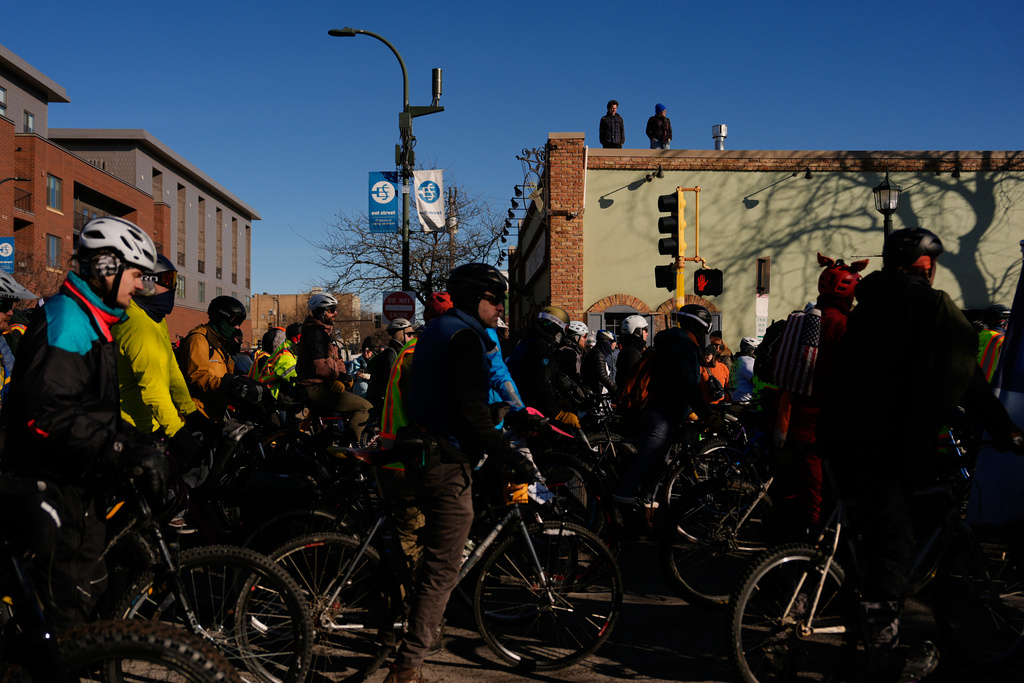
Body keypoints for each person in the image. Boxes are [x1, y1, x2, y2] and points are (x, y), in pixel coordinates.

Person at [817, 228, 1024, 680]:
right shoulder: (931, 306)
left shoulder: (867, 305)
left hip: (837, 436)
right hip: (885, 443)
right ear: (927, 266)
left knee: (860, 538)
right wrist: (1004, 429)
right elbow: (964, 373)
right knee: (896, 545)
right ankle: (885, 657)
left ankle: (843, 613)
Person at [0, 216, 168, 629]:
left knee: (82, 596)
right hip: (50, 481)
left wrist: (135, 444)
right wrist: (120, 449)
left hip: (75, 478)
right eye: (136, 274)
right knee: (62, 614)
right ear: (106, 269)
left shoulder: (95, 319)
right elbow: (49, 414)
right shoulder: (69, 319)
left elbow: (92, 409)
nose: (142, 285)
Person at [385, 264, 538, 683]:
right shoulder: (466, 337)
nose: (501, 307)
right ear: (474, 299)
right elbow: (472, 412)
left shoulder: (436, 330)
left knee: (425, 546)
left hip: (420, 451)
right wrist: (510, 453)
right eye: (495, 299)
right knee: (442, 568)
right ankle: (407, 665)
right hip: (445, 461)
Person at [614, 304, 716, 507]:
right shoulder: (683, 348)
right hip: (662, 414)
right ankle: (620, 502)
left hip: (666, 413)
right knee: (647, 461)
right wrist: (706, 414)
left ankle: (646, 505)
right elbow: (688, 385)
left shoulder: (674, 344)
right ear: (699, 328)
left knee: (659, 465)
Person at [114, 254, 206, 468]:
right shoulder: (136, 325)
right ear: (146, 285)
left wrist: (190, 412)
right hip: (132, 429)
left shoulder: (154, 319)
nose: (173, 288)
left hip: (153, 423)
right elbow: (153, 388)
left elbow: (172, 372)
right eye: (167, 281)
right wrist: (179, 434)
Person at [296, 292, 372, 444]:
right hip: (315, 388)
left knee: (325, 437)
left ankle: (325, 463)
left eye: (335, 309)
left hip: (323, 386)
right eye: (331, 310)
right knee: (365, 408)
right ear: (320, 312)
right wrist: (341, 377)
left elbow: (337, 360)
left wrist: (342, 378)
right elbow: (319, 367)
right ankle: (348, 453)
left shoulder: (325, 332)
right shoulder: (315, 332)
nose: (335, 313)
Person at [180, 295, 259, 422]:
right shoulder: (199, 340)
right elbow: (197, 377)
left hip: (214, 412)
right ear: (220, 317)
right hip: (198, 414)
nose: (237, 327)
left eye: (240, 323)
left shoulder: (219, 343)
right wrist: (227, 383)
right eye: (234, 321)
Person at [506, 305, 586, 428]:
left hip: (520, 406)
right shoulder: (541, 347)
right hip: (533, 412)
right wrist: (557, 413)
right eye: (563, 329)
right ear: (556, 327)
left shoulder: (527, 342)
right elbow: (541, 382)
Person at [0, 272, 39, 407]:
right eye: (4, 305)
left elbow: (14, 378)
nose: (10, 312)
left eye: (11, 306)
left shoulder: (1, 343)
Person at [367, 317, 415, 410]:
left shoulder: (400, 352)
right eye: (409, 334)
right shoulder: (391, 354)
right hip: (387, 404)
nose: (412, 337)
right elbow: (393, 381)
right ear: (401, 335)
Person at [616, 314, 649, 390]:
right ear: (638, 332)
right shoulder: (632, 354)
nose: (647, 334)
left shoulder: (628, 349)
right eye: (645, 330)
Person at [978, 303, 1010, 382]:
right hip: (990, 388)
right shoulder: (1002, 340)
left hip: (972, 386)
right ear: (1002, 323)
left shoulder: (977, 335)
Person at [582, 329, 618, 396]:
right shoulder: (598, 355)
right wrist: (616, 390)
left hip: (597, 393)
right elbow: (602, 375)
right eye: (610, 342)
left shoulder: (598, 353)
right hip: (594, 394)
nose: (611, 346)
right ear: (605, 342)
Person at [554, 320, 589, 384]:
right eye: (584, 336)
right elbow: (574, 378)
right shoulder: (570, 353)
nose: (586, 338)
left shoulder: (565, 349)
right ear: (576, 337)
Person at [730, 336, 759, 403]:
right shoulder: (747, 361)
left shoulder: (737, 360)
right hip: (746, 400)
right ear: (749, 350)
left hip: (737, 398)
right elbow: (754, 380)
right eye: (754, 350)